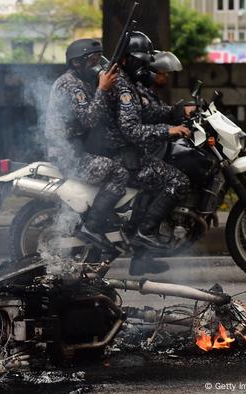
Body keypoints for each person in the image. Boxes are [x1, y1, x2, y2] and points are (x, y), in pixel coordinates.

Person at [92, 32, 192, 275]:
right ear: (125, 59)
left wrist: (174, 112)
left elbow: (144, 114)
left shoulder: (127, 80)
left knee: (155, 182)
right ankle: (143, 234)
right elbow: (132, 129)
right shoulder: (123, 85)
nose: (144, 65)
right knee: (178, 181)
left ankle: (141, 260)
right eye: (139, 60)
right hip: (122, 157)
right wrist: (170, 130)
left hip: (127, 153)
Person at [44, 38, 122, 250]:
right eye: (93, 60)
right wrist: (103, 89)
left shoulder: (85, 82)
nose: (98, 64)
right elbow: (89, 119)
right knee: (118, 172)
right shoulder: (71, 85)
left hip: (79, 148)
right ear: (77, 63)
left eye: (99, 59)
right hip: (68, 154)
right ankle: (92, 227)